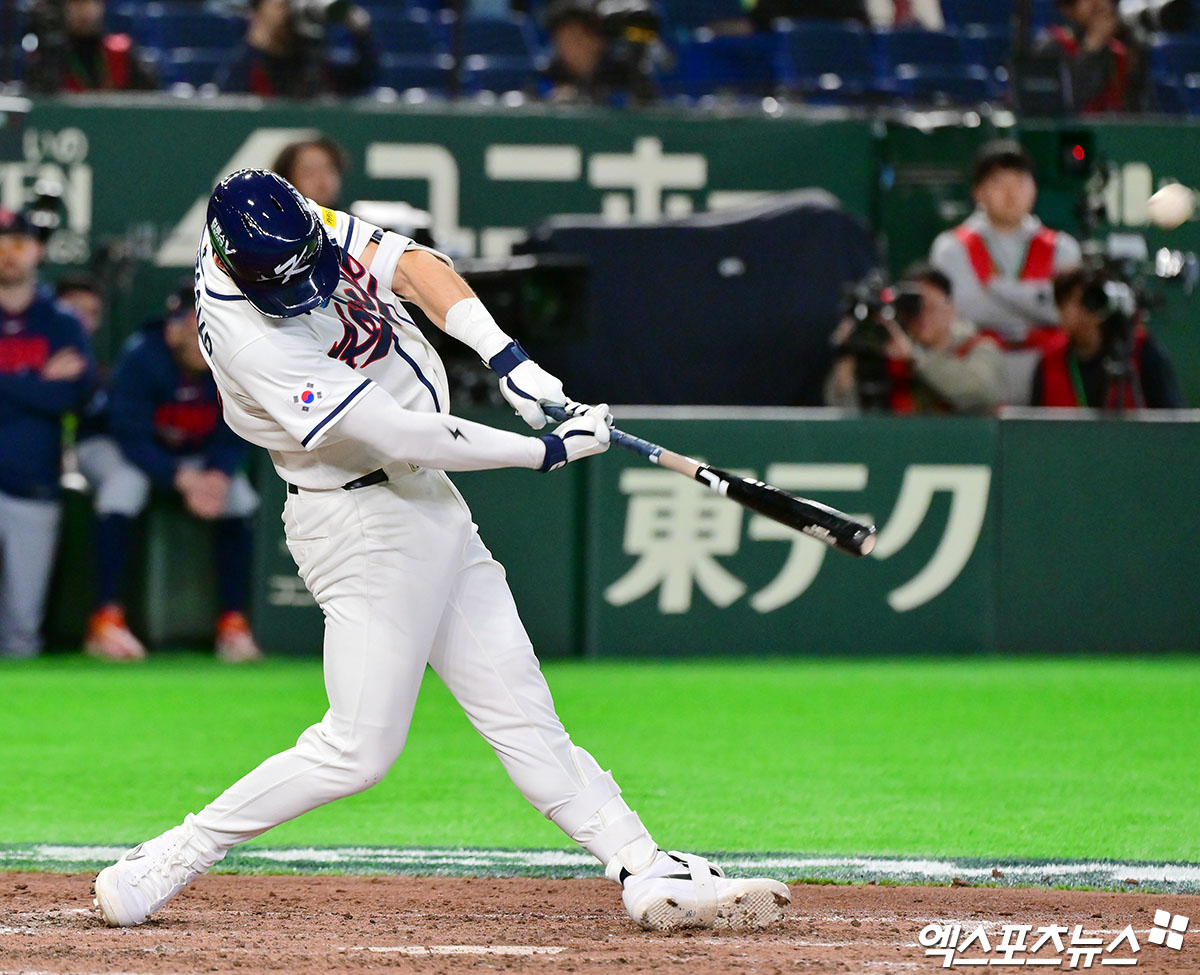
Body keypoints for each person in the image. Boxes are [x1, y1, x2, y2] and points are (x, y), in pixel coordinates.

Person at [92, 169, 790, 932]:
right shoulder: (248, 333)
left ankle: (642, 865)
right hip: (362, 522)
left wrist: (509, 361)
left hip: (424, 502)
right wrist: (548, 448)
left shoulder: (287, 224)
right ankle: (171, 855)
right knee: (358, 749)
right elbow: (397, 433)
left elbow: (412, 266)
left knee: (522, 710)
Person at [79, 283, 262, 663]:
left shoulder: (232, 361)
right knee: (124, 487)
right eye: (195, 328)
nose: (202, 340)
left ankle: (233, 623)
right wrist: (184, 480)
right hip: (112, 445)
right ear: (173, 330)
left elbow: (238, 428)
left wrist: (217, 477)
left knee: (239, 497)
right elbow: (130, 435)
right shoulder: (143, 357)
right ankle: (105, 619)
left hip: (189, 455)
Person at [0, 208, 94, 658]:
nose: (8, 254)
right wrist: (37, 380)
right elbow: (51, 393)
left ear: (37, 251)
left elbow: (75, 397)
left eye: (18, 244)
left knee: (23, 631)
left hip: (33, 482)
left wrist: (11, 385)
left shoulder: (61, 321)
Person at [929, 140, 1082, 404]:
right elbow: (965, 309)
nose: (1011, 193)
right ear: (978, 192)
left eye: (1021, 182)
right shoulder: (951, 248)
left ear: (1034, 188)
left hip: (1048, 369)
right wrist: (1037, 302)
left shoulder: (1062, 248)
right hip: (977, 369)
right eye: (999, 183)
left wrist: (997, 288)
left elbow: (1066, 311)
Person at [826, 263, 1006, 414]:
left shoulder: (978, 348)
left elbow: (981, 393)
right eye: (914, 309)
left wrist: (917, 358)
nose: (922, 317)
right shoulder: (891, 352)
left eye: (931, 307)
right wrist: (847, 355)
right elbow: (845, 413)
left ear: (951, 308)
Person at [1032, 267, 1184, 408]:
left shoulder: (1141, 351)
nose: (1083, 308)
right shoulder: (1049, 363)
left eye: (1089, 298)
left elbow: (1172, 417)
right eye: (1070, 300)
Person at [216, 0, 376, 98]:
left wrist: (361, 33)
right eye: (282, 5)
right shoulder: (247, 65)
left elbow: (364, 78)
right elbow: (228, 104)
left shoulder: (315, 63)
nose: (289, 12)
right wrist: (258, 37)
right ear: (257, 12)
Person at [1037, 0, 1150, 113]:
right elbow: (1070, 101)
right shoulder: (1053, 47)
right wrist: (1092, 48)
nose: (1101, 4)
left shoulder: (1120, 49)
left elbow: (1136, 107)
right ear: (1068, 9)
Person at [25, 0, 158, 93]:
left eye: (91, 2)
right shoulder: (54, 60)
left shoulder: (123, 55)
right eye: (76, 3)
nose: (85, 11)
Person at [543, 0, 657, 106]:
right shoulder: (549, 74)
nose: (572, 48)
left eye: (579, 39)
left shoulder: (623, 74)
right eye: (565, 41)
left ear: (598, 41)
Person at [271, 136, 350, 210]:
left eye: (328, 169)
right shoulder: (274, 220)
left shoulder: (351, 219)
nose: (321, 179)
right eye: (308, 172)